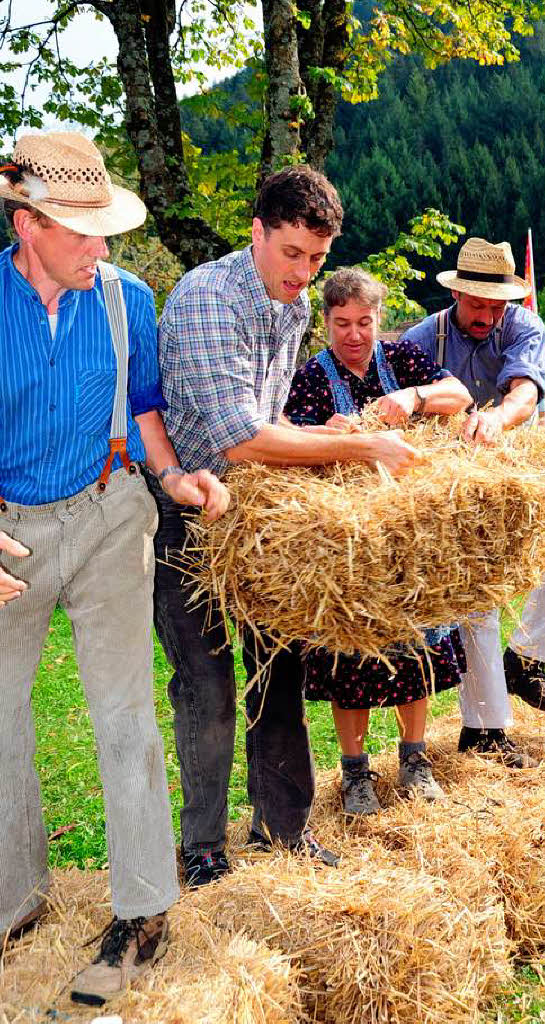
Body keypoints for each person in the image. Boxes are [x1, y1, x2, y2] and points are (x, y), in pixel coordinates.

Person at [0, 132, 230, 1004]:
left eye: (107, 231)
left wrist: (173, 476)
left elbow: (142, 411)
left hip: (108, 515)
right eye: (83, 232)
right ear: (28, 225)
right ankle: (15, 899)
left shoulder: (128, 298)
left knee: (125, 712)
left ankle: (143, 908)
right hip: (8, 530)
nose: (103, 248)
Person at [154, 167, 423, 885]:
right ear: (257, 233)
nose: (303, 275)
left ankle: (283, 829)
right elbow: (239, 438)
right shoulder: (210, 298)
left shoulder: (290, 305)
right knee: (206, 687)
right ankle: (204, 847)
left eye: (316, 259)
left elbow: (266, 422)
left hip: (259, 517)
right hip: (188, 515)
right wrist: (359, 444)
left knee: (278, 674)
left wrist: (312, 430)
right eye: (291, 255)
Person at [282, 268, 472, 815]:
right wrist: (327, 434)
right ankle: (355, 773)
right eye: (342, 323)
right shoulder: (313, 378)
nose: (354, 334)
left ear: (378, 319)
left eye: (364, 321)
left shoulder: (403, 358)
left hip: (410, 535)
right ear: (325, 323)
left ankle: (415, 760)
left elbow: (457, 394)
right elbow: (283, 436)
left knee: (418, 645)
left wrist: (413, 398)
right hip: (348, 541)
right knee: (351, 653)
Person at [401, 237, 545, 762]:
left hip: (513, 466)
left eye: (497, 305)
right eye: (478, 304)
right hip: (452, 479)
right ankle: (485, 731)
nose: (488, 315)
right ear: (456, 296)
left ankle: (526, 660)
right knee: (477, 596)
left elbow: (525, 391)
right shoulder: (424, 337)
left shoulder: (524, 325)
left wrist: (495, 418)